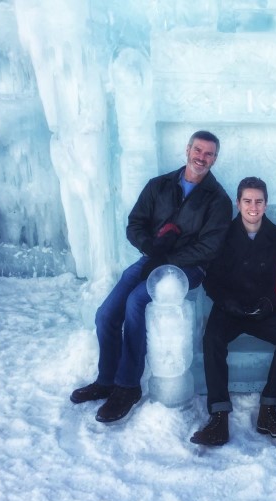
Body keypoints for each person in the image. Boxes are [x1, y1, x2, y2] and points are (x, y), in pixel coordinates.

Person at [70, 131, 232, 423]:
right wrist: (150, 248)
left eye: (209, 154)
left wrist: (166, 259)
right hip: (150, 258)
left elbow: (210, 246)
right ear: (187, 150)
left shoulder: (217, 199)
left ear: (215, 158)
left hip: (189, 269)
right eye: (198, 150)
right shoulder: (160, 185)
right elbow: (135, 224)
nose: (201, 158)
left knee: (136, 303)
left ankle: (127, 386)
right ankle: (106, 379)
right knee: (106, 314)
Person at [190, 177, 276, 446]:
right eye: (247, 201)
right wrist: (226, 302)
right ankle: (218, 417)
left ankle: (269, 409)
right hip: (230, 308)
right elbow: (210, 277)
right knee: (212, 338)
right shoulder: (222, 235)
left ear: (266, 203)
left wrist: (273, 303)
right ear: (238, 203)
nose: (253, 206)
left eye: (259, 201)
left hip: (263, 309)